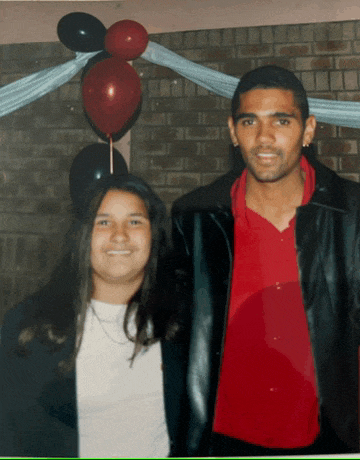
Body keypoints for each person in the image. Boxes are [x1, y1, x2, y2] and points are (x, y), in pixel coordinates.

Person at [171, 65, 360, 457]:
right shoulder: (195, 217)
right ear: (232, 131)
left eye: (282, 121)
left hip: (329, 441)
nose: (264, 138)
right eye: (249, 121)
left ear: (308, 130)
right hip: (221, 443)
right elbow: (170, 333)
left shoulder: (352, 212)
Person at [0, 173, 189, 458]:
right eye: (104, 222)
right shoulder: (31, 327)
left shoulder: (184, 322)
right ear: (83, 235)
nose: (120, 235)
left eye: (134, 221)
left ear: (154, 235)